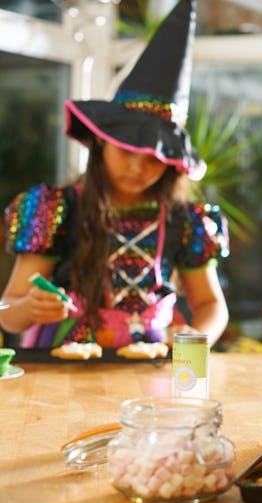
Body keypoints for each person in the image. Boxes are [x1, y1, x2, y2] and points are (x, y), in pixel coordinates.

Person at [0, 0, 229, 349]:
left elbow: (211, 305)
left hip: (152, 363)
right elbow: (7, 309)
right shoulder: (53, 208)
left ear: (172, 164)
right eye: (126, 151)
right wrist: (29, 308)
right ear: (99, 143)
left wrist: (193, 341)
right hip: (66, 365)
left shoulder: (187, 220)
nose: (138, 168)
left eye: (154, 159)